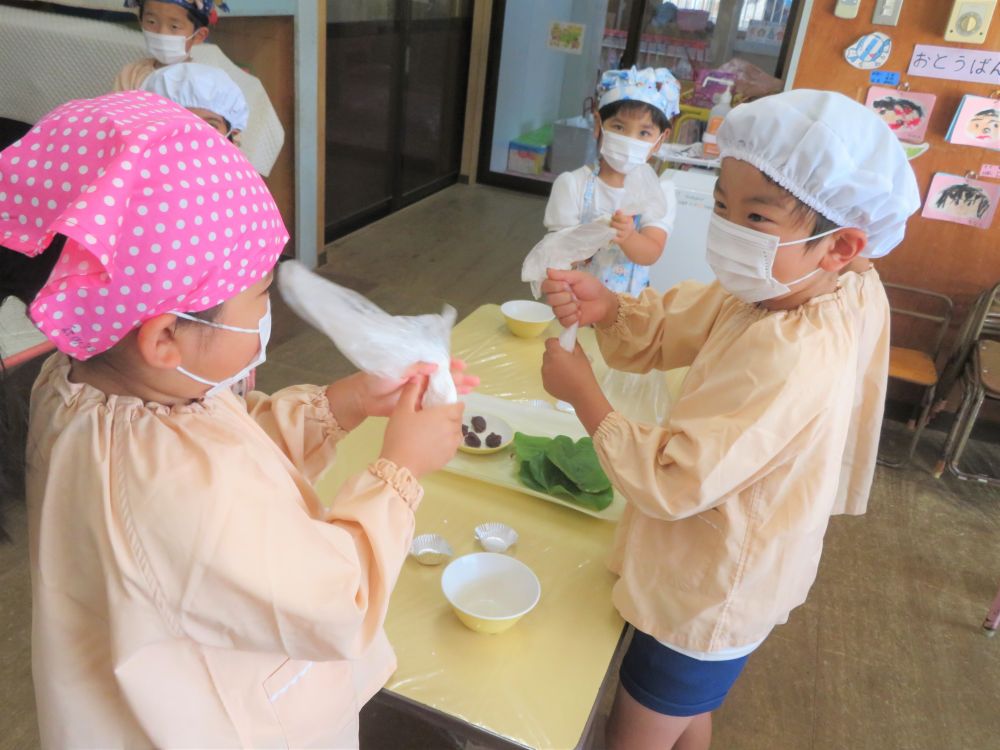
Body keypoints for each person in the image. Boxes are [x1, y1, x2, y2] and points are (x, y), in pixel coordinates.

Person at [0, 91, 476, 748]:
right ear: (165, 336)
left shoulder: (88, 380)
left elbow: (236, 445)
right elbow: (338, 601)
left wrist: (349, 402)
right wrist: (400, 470)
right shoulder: (170, 485)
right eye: (257, 296)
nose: (265, 315)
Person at [538, 90, 920, 750]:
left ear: (841, 244)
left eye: (755, 215)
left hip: (714, 586)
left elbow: (677, 476)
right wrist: (608, 308)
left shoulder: (796, 352)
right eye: (721, 205)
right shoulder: (795, 283)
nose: (727, 227)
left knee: (637, 724)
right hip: (719, 563)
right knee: (686, 710)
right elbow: (683, 318)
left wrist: (584, 396)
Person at [543, 66, 680, 297]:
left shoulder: (660, 193)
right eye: (618, 127)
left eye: (644, 133)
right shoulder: (572, 185)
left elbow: (651, 252)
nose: (629, 139)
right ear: (598, 125)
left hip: (628, 314)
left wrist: (628, 236)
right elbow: (559, 253)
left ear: (660, 140)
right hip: (577, 304)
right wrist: (591, 236)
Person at [112, 0, 226, 92]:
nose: (161, 32)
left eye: (174, 26)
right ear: (141, 22)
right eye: (151, 22)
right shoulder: (131, 74)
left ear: (199, 35)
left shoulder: (203, 84)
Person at [142, 61, 249, 143]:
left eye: (211, 126)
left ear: (231, 134)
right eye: (179, 124)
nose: (194, 134)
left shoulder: (235, 172)